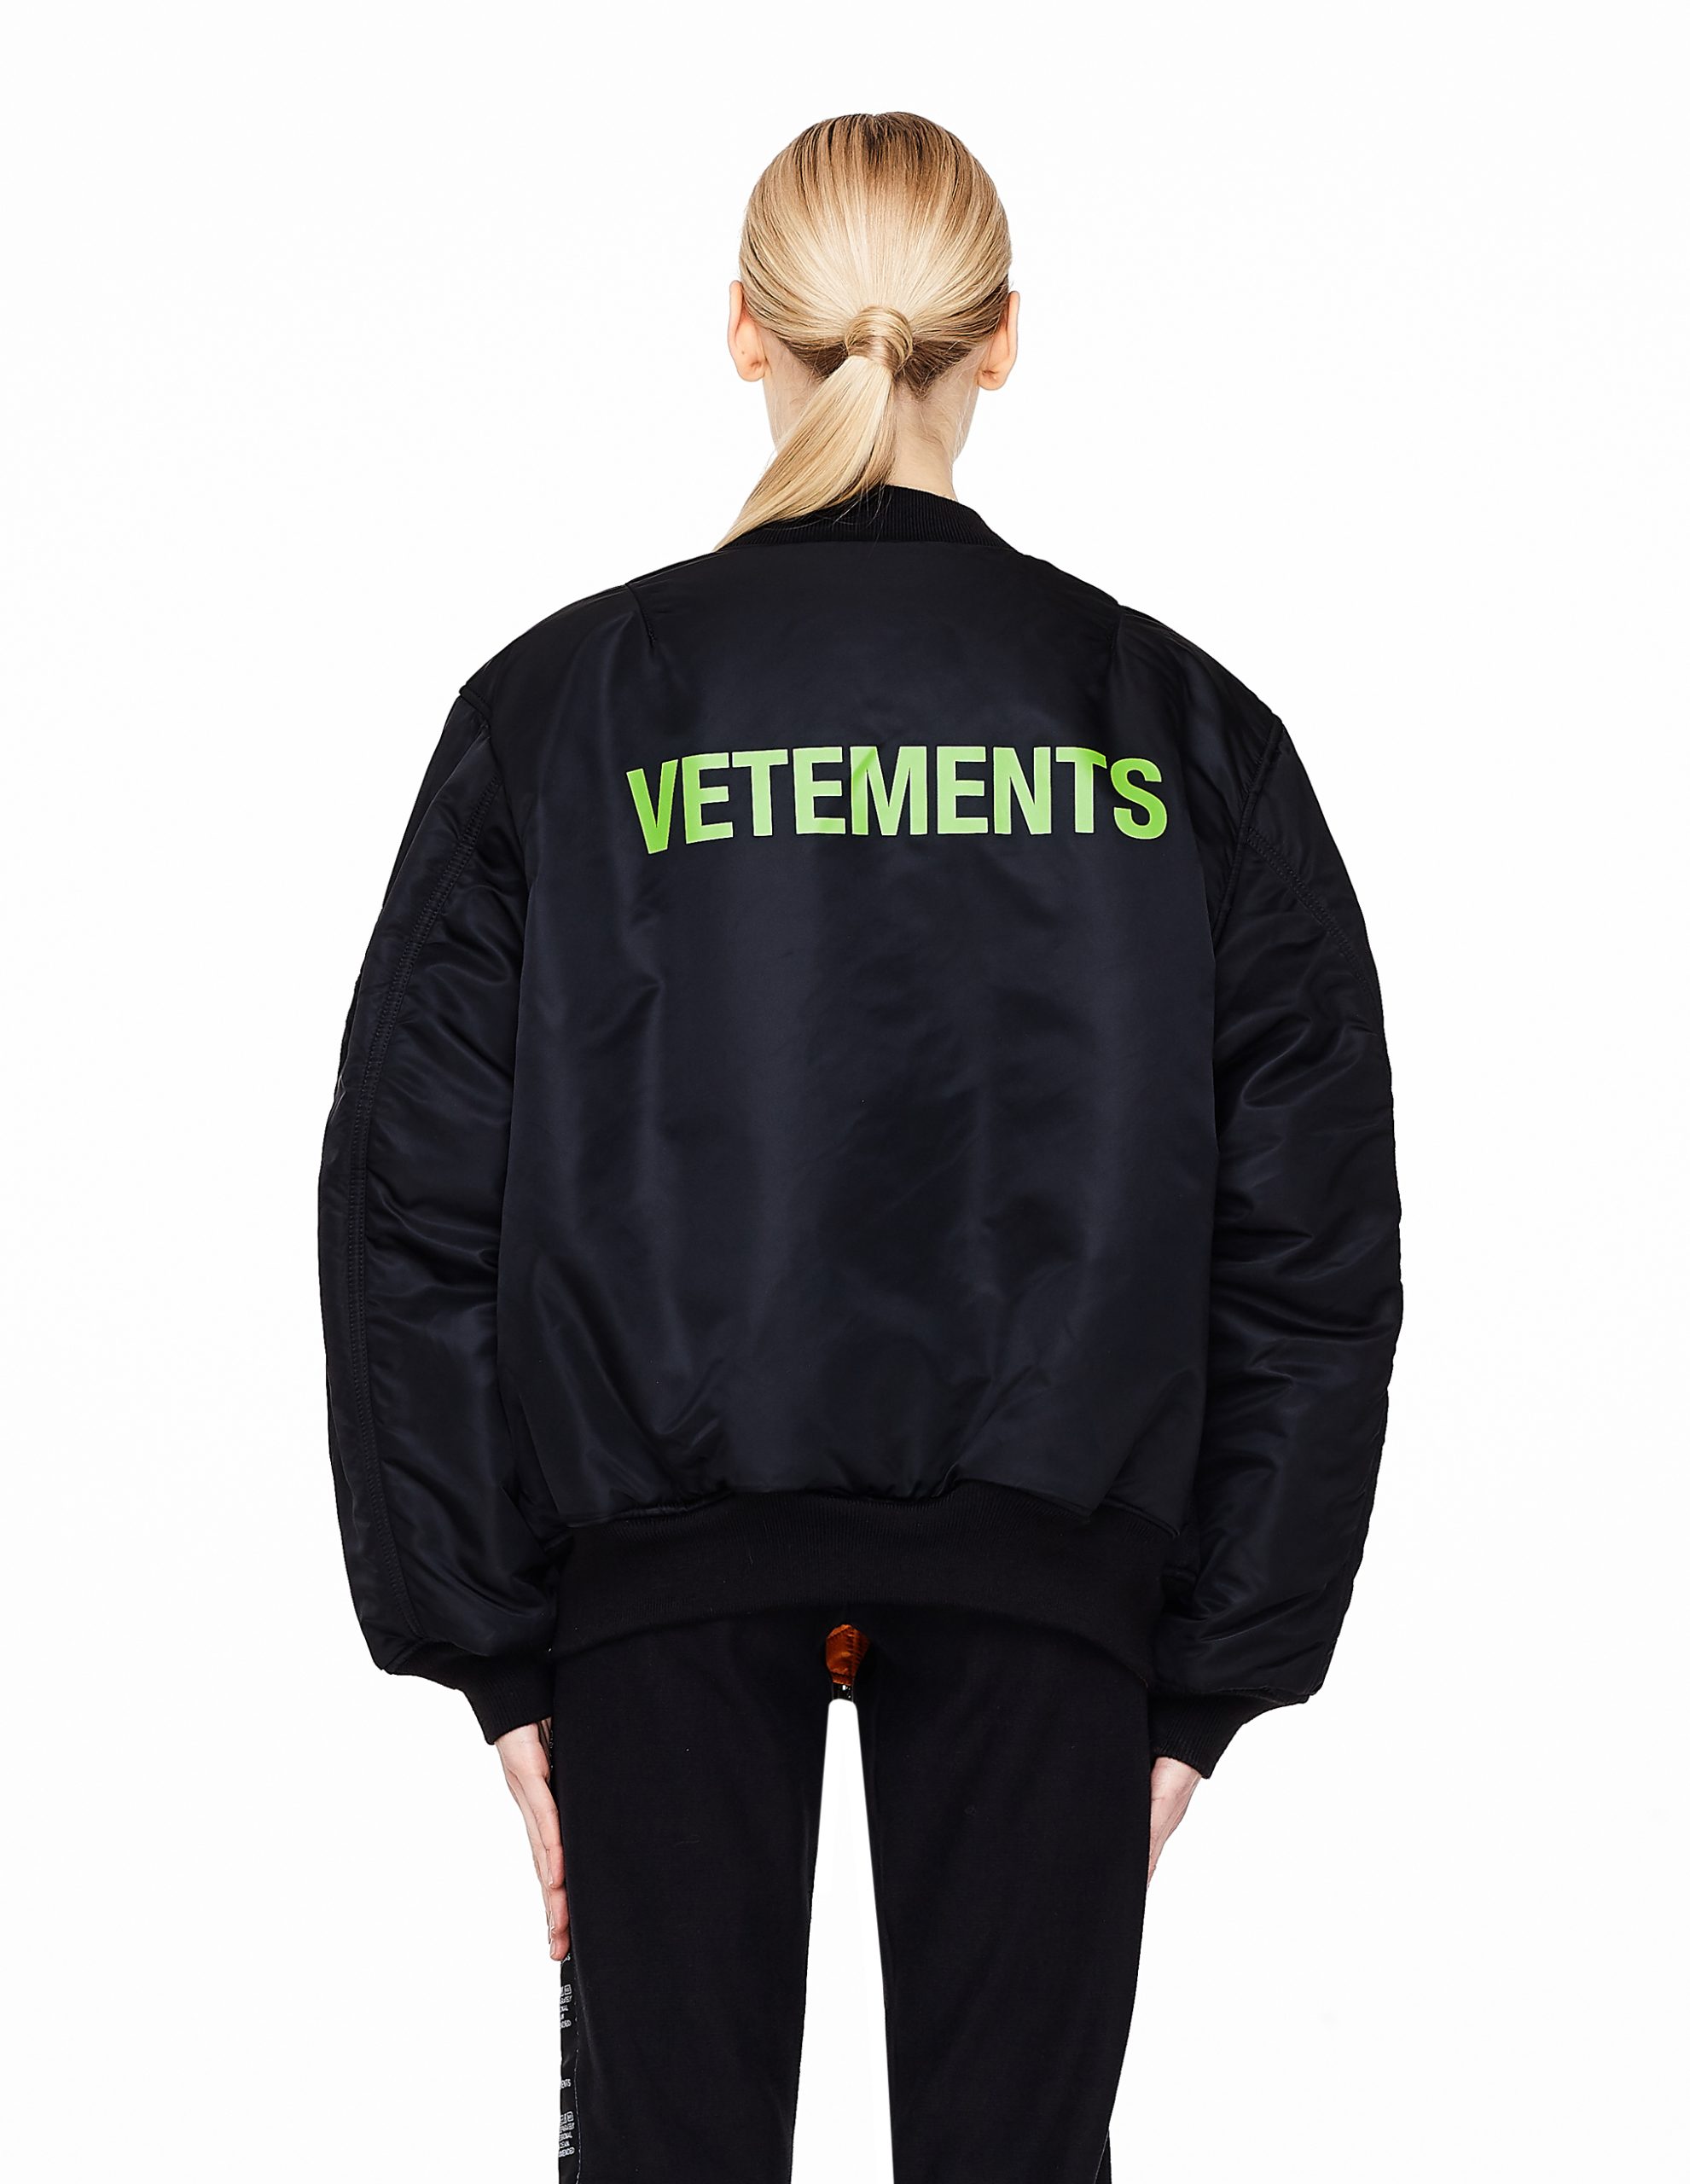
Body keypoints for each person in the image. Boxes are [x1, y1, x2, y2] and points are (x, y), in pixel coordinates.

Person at [318, 110, 1402, 2184]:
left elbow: (410, 1209)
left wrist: (498, 1648)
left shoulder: (565, 709)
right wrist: (1204, 1674)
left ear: (744, 329)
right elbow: (1309, 1235)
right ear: (1003, 341)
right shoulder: (1179, 726)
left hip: (652, 1574)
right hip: (1052, 1570)